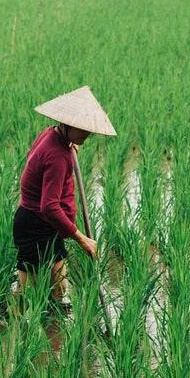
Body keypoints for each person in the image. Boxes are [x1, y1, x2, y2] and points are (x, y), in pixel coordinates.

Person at [13, 85, 116, 306]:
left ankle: (58, 314)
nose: (88, 134)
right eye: (83, 129)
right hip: (36, 222)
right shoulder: (58, 156)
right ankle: (15, 324)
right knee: (27, 276)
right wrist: (82, 239)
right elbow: (49, 206)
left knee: (57, 265)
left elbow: (38, 157)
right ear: (68, 125)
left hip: (41, 222)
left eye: (90, 130)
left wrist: (70, 147)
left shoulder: (51, 134)